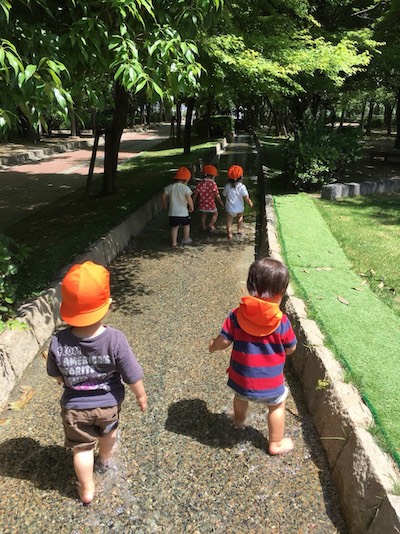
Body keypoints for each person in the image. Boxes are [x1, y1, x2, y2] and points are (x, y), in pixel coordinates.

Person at [47, 261, 147, 505]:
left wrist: (66, 378)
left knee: (81, 449)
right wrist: (141, 396)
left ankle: (87, 487)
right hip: (108, 406)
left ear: (65, 309)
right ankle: (105, 459)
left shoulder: (58, 341)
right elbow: (132, 374)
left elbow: (56, 374)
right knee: (108, 434)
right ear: (108, 306)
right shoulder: (115, 339)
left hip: (74, 408)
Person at [209, 258, 297, 455]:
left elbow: (223, 341)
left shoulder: (237, 314)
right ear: (280, 293)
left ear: (250, 287)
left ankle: (239, 420)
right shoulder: (281, 321)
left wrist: (213, 346)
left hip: (241, 379)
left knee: (240, 397)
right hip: (271, 382)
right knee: (277, 405)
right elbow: (291, 348)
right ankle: (275, 443)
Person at [162, 166, 194, 246]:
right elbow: (188, 198)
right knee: (186, 225)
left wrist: (164, 203)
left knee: (174, 227)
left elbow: (163, 196)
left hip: (173, 212)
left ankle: (174, 242)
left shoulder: (171, 187)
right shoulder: (185, 188)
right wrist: (191, 205)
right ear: (187, 179)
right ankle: (186, 239)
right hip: (183, 213)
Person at [223, 164, 254, 240]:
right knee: (240, 218)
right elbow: (246, 197)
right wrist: (250, 202)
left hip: (229, 208)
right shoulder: (242, 187)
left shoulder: (227, 186)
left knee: (229, 221)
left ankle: (229, 233)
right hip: (239, 208)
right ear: (241, 177)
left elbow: (224, 194)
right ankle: (239, 230)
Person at [192, 164, 224, 232]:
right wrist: (220, 202)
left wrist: (193, 200)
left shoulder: (201, 183)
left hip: (202, 203)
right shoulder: (213, 184)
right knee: (215, 213)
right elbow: (216, 194)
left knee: (203, 215)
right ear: (213, 176)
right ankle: (211, 224)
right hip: (211, 203)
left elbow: (196, 193)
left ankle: (203, 227)